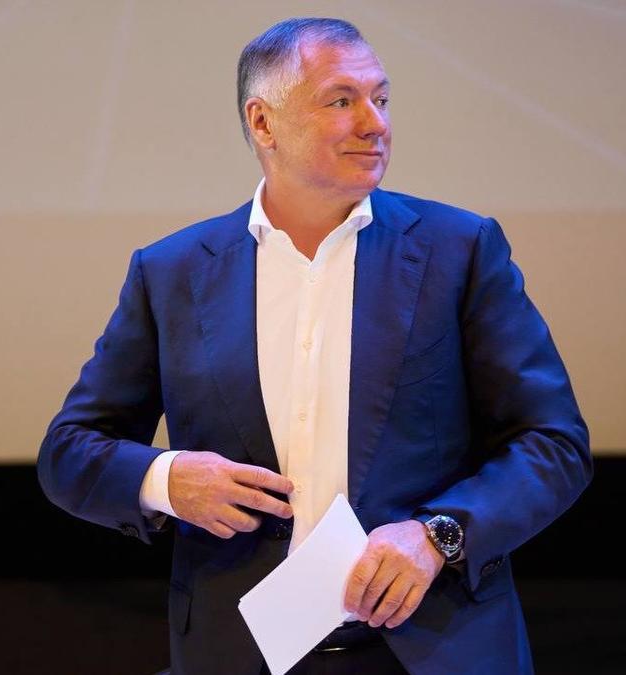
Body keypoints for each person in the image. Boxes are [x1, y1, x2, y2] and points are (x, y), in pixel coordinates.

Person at [38, 17, 591, 675]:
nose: (375, 123)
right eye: (341, 101)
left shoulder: (460, 250)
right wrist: (168, 480)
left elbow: (553, 444)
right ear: (263, 123)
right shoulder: (173, 272)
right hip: (241, 652)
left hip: (435, 648)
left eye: (381, 98)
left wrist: (438, 535)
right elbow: (69, 452)